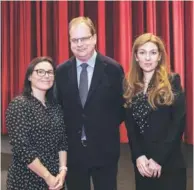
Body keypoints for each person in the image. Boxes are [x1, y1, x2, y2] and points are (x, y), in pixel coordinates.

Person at [55, 16, 124, 190]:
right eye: (74, 40)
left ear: (94, 38)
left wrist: (102, 128)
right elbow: (58, 108)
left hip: (105, 150)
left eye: (84, 38)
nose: (79, 44)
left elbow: (122, 108)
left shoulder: (113, 69)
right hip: (74, 152)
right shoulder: (61, 71)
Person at [124, 33, 186, 190]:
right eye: (142, 52)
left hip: (168, 161)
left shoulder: (172, 81)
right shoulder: (130, 85)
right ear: (136, 57)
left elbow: (178, 123)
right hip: (143, 164)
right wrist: (138, 156)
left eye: (153, 53)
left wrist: (158, 159)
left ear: (159, 56)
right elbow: (131, 127)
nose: (147, 58)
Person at [6, 57, 68, 190]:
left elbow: (62, 141)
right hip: (27, 178)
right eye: (40, 71)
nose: (46, 76)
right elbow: (22, 148)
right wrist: (47, 177)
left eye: (50, 72)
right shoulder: (19, 105)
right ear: (29, 76)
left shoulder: (55, 106)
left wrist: (62, 171)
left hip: (56, 179)